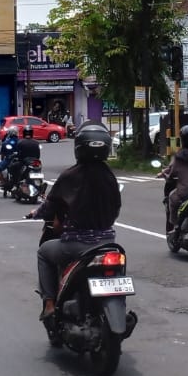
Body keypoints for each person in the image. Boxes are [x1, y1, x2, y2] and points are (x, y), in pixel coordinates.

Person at [27, 121, 120, 323]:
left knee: (44, 253)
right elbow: (116, 208)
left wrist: (35, 213)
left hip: (77, 244)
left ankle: (49, 304)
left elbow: (50, 206)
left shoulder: (71, 175)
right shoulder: (109, 176)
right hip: (108, 243)